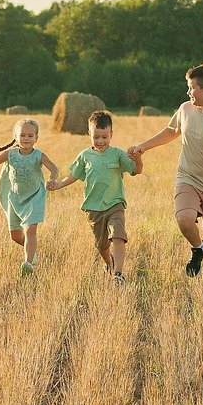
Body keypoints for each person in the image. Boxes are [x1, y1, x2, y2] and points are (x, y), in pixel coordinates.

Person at [128, 63, 203, 288]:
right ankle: (198, 248)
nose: (188, 92)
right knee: (184, 219)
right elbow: (172, 131)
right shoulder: (185, 109)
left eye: (192, 88)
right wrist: (143, 147)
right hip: (187, 177)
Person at [48, 109, 143, 286]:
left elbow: (136, 170)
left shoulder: (118, 154)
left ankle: (118, 274)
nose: (100, 141)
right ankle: (109, 264)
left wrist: (137, 158)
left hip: (115, 204)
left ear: (111, 134)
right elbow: (74, 175)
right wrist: (58, 184)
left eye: (104, 137)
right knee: (102, 245)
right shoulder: (85, 156)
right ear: (89, 134)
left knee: (118, 235)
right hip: (93, 208)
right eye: (96, 137)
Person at [0, 118, 59, 275]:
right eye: (22, 135)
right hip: (15, 199)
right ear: (16, 136)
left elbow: (54, 168)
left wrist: (53, 179)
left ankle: (28, 264)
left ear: (36, 138)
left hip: (34, 198)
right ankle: (32, 251)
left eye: (30, 136)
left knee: (30, 230)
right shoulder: (10, 154)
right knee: (15, 236)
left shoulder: (39, 155)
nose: (26, 139)